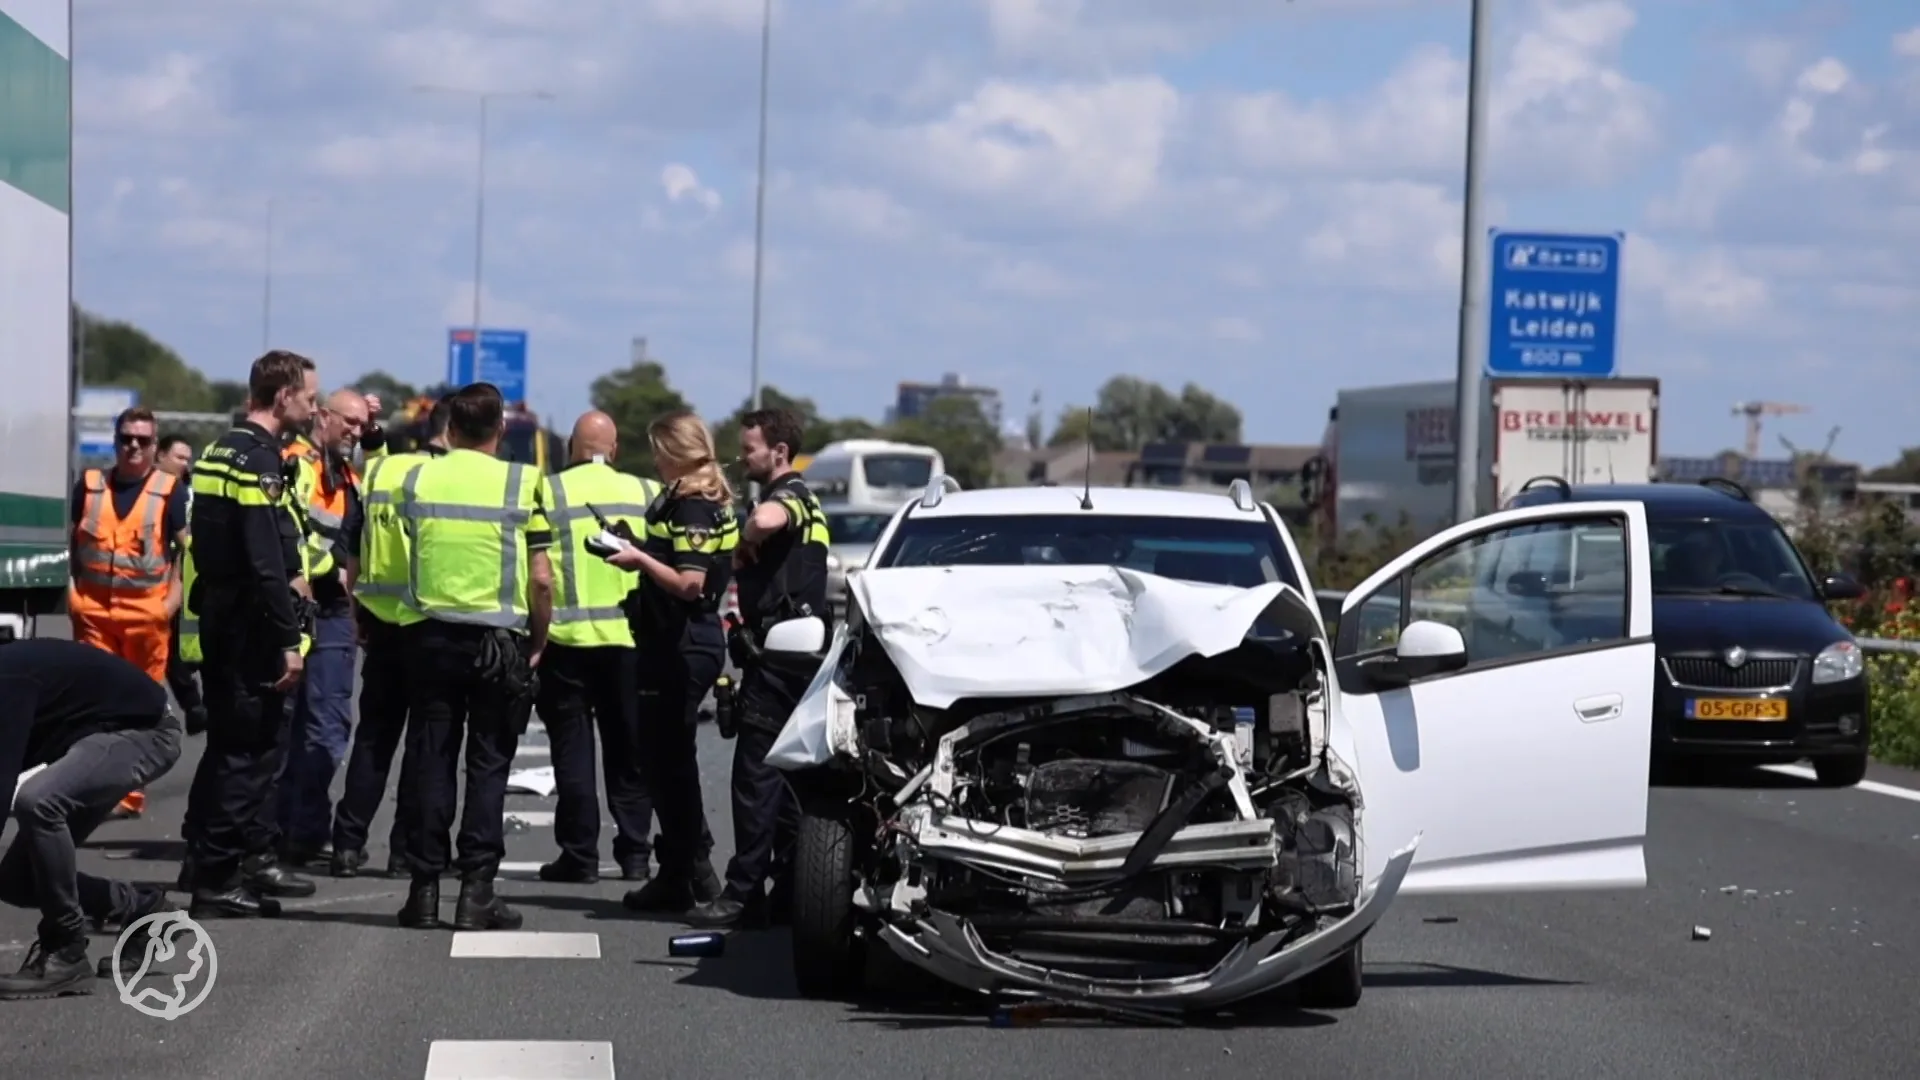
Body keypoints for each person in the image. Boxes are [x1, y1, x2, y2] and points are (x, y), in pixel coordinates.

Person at [394, 382, 554, 931]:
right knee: (488, 765)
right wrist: (538, 640)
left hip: (430, 637)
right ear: (501, 430)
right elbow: (541, 578)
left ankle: (423, 892)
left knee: (431, 759)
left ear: (451, 429)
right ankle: (476, 892)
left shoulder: (418, 478)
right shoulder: (522, 482)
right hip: (497, 642)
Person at [180, 350, 321, 919]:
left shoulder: (219, 449)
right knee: (250, 754)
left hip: (220, 614)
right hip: (250, 625)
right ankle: (216, 879)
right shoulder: (260, 460)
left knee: (226, 748)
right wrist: (289, 640)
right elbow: (266, 562)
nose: (313, 407)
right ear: (283, 396)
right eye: (309, 398)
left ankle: (212, 863)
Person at [684, 407, 829, 929]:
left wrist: (747, 536)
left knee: (755, 778)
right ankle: (787, 888)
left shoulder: (790, 495)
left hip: (782, 658)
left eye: (750, 449)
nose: (742, 457)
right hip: (791, 656)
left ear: (779, 452)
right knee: (788, 781)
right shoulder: (805, 500)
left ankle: (743, 893)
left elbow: (768, 520)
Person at [0, 639, 182, 999]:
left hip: (145, 732)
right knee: (16, 881)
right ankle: (141, 909)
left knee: (39, 801)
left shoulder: (7, 681)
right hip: (92, 740)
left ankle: (66, 949)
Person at [614, 409, 737, 915]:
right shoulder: (693, 501)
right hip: (677, 638)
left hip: (683, 641)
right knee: (665, 760)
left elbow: (690, 583)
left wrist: (640, 559)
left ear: (674, 452)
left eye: (658, 451)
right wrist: (639, 545)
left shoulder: (693, 506)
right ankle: (682, 871)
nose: (654, 461)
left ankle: (693, 871)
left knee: (668, 763)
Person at [531, 410, 659, 885]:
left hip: (566, 642)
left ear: (572, 448)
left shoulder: (548, 490)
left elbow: (539, 573)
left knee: (572, 753)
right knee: (630, 752)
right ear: (615, 449)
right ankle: (636, 853)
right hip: (630, 642)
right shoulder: (646, 492)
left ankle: (579, 855)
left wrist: (534, 637)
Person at [330, 395, 449, 880]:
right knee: (423, 744)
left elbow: (353, 548)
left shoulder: (382, 472)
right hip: (430, 626)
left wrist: (355, 609)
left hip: (380, 622)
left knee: (374, 738)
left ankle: (346, 845)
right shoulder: (449, 478)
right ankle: (404, 852)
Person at [68, 406, 189, 820]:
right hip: (94, 618)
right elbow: (70, 544)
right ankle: (92, 790)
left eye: (143, 440)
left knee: (138, 711)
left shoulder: (169, 490)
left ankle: (128, 795)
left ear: (155, 446)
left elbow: (187, 552)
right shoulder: (89, 486)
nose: (133, 446)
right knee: (92, 709)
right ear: (115, 441)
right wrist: (72, 595)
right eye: (126, 439)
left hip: (145, 621)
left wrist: (169, 604)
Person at [275, 389, 370, 866]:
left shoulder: (348, 474)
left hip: (332, 613)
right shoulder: (295, 464)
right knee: (285, 725)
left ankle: (304, 831)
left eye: (362, 425)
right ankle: (280, 830)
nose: (356, 431)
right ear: (324, 416)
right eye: (349, 421)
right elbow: (289, 535)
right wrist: (324, 573)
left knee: (327, 725)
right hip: (296, 604)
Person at [154, 435, 208, 738]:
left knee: (180, 646)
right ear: (160, 456)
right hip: (153, 581)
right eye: (179, 457)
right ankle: (190, 705)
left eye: (188, 458)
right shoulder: (152, 491)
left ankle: (196, 705)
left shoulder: (187, 492)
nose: (185, 464)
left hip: (183, 578)